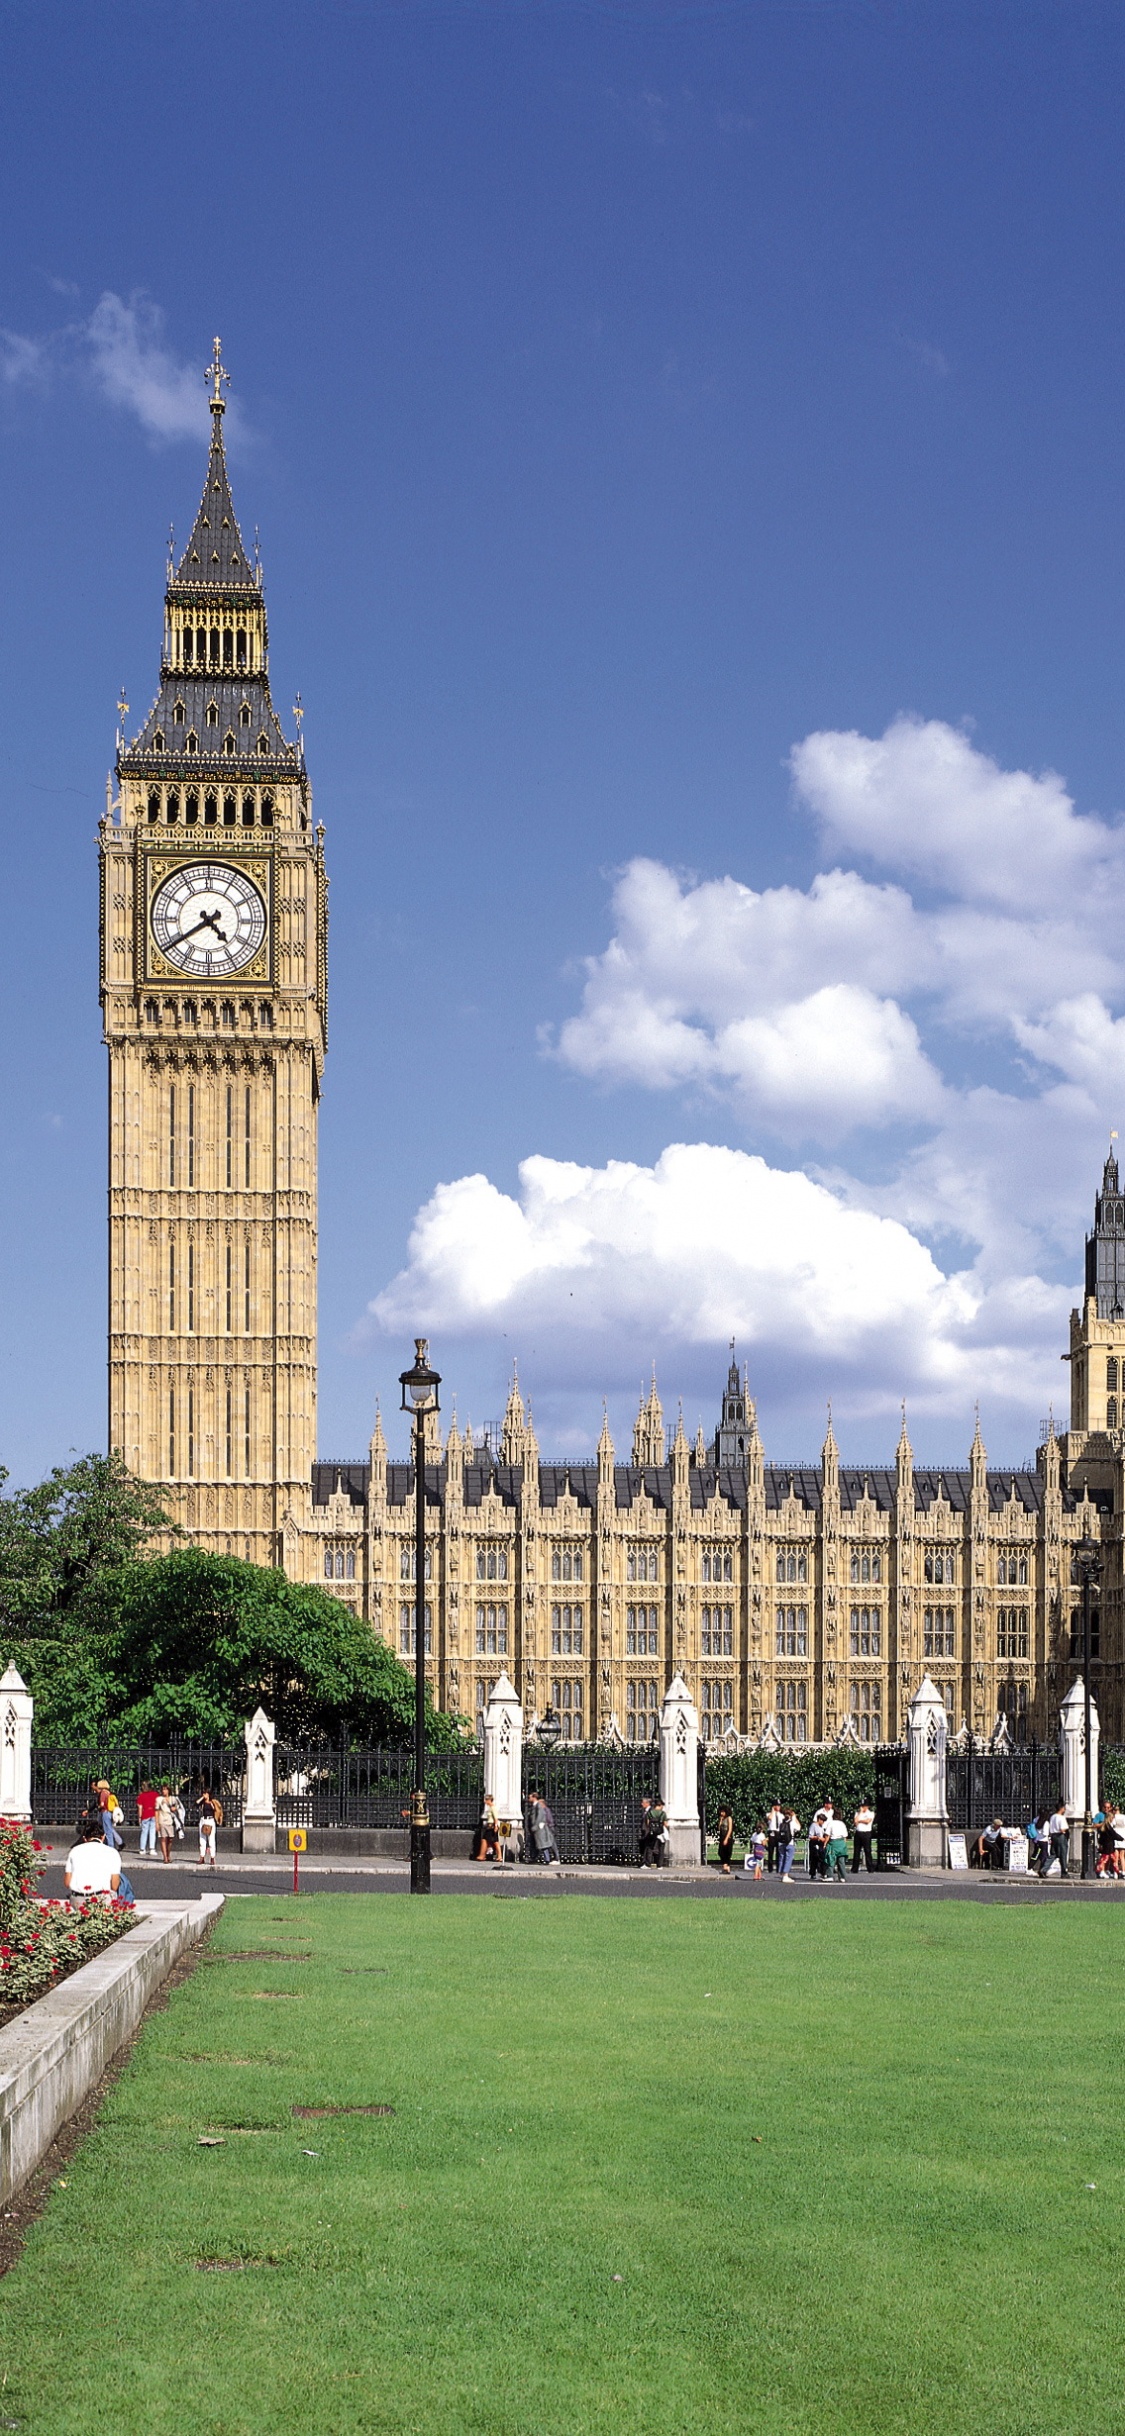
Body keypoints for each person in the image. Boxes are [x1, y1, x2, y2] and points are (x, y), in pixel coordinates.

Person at [64, 1816, 121, 1906]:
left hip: (78, 1899)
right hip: (101, 1898)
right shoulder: (112, 1853)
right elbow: (114, 1885)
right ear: (103, 1837)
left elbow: (67, 1882)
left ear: (84, 1838)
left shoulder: (74, 1851)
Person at [825, 1804, 849, 1882]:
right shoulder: (842, 1824)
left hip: (833, 1843)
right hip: (841, 1843)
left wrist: (825, 1843)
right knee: (841, 1861)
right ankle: (842, 1877)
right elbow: (845, 1836)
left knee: (830, 1859)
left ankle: (830, 1875)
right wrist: (844, 1845)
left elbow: (827, 1835)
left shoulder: (831, 1823)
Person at [851, 1798, 876, 1873]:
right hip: (858, 1833)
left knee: (867, 1851)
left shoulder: (871, 1813)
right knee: (856, 1851)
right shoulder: (857, 1813)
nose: (863, 1807)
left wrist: (860, 1821)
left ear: (867, 1806)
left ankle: (870, 1868)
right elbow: (855, 1822)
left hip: (866, 1833)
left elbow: (867, 1821)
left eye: (864, 1806)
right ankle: (855, 1868)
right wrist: (860, 1813)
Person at [1047, 1804, 1070, 1877]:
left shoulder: (1052, 1817)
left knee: (1053, 1854)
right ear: (1062, 1808)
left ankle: (1043, 1869)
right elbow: (1062, 1829)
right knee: (1063, 1854)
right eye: (1064, 1808)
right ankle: (1064, 1872)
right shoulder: (1061, 1818)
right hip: (1060, 1836)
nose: (1065, 1810)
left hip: (1053, 1835)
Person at [155, 1784, 176, 1863]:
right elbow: (156, 1811)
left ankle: (168, 1853)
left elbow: (176, 1807)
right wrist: (157, 1823)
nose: (164, 1791)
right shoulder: (159, 1799)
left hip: (170, 1820)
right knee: (163, 1838)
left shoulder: (172, 1799)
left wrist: (174, 1808)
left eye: (166, 1789)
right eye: (163, 1789)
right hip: (162, 1820)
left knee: (170, 1838)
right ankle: (165, 1857)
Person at [476, 1796, 500, 1864]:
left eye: (486, 1800)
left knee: (495, 1841)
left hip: (492, 1826)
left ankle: (499, 1856)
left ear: (490, 1800)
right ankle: (482, 1855)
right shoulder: (490, 1808)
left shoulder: (493, 1808)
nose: (485, 1801)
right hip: (489, 1826)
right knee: (486, 1840)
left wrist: (495, 1826)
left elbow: (495, 1818)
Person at [197, 1788, 219, 1868]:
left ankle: (212, 1858)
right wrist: (202, 1798)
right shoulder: (202, 1802)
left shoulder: (213, 1802)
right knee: (202, 1839)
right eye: (203, 1793)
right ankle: (202, 1857)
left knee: (211, 1840)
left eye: (205, 1793)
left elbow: (217, 1810)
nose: (204, 1795)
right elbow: (196, 1804)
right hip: (203, 1820)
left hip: (210, 1820)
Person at [137, 1781, 158, 1858]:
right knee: (152, 1832)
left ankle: (142, 1849)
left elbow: (140, 1807)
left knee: (144, 1832)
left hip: (145, 1814)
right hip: (153, 1813)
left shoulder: (141, 1796)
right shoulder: (155, 1794)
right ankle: (152, 1848)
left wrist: (139, 1817)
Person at [807, 1809, 830, 1881]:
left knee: (822, 1858)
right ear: (819, 1819)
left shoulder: (821, 1827)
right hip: (814, 1843)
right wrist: (819, 1838)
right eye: (822, 1820)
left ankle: (823, 1872)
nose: (823, 1822)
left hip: (820, 1844)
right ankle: (812, 1873)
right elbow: (810, 1836)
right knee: (814, 1858)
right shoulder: (813, 1825)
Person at [778, 1809, 800, 1883]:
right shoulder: (792, 1823)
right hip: (790, 1842)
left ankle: (781, 1872)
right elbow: (799, 1827)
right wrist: (795, 1817)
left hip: (781, 1843)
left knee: (782, 1857)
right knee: (788, 1859)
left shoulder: (781, 1822)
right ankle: (785, 1875)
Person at [765, 1801, 786, 1874]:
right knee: (770, 1852)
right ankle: (770, 1868)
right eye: (776, 1806)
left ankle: (778, 1868)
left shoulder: (781, 1815)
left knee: (778, 1852)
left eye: (779, 1806)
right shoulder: (769, 1814)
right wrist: (772, 1811)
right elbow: (769, 1818)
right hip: (772, 1833)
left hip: (778, 1833)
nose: (778, 1807)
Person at [716, 1806, 735, 1875]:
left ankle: (726, 1868)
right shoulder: (722, 1819)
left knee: (727, 1852)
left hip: (728, 1837)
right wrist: (720, 1821)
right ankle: (725, 1866)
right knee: (721, 1852)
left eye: (723, 1812)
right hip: (722, 1836)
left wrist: (726, 1839)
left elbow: (730, 1829)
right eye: (721, 1812)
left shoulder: (729, 1818)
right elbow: (719, 1828)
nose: (721, 1813)